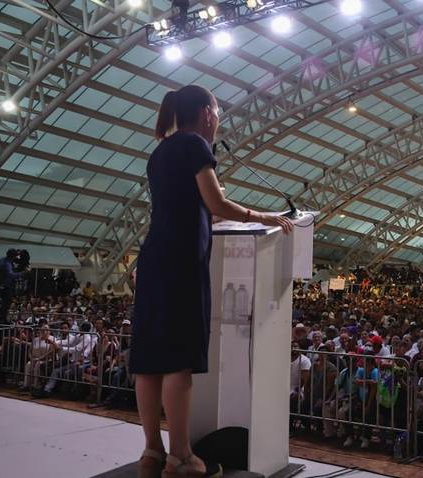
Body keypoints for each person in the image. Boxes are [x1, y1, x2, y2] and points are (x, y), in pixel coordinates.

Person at [129, 84, 293, 478]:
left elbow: (192, 210)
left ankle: (152, 452)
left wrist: (212, 216)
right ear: (206, 113)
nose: (218, 120)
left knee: (149, 362)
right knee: (179, 363)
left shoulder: (160, 152)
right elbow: (215, 203)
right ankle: (182, 457)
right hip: (181, 265)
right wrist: (263, 217)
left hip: (153, 259)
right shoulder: (196, 147)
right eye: (218, 112)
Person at [0, 249, 27, 324]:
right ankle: (1, 319)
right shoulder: (7, 263)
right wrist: (22, 273)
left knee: (5, 303)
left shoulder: (2, 259)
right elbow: (10, 275)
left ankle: (2, 318)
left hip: (1, 285)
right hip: (6, 285)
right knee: (6, 303)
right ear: (12, 256)